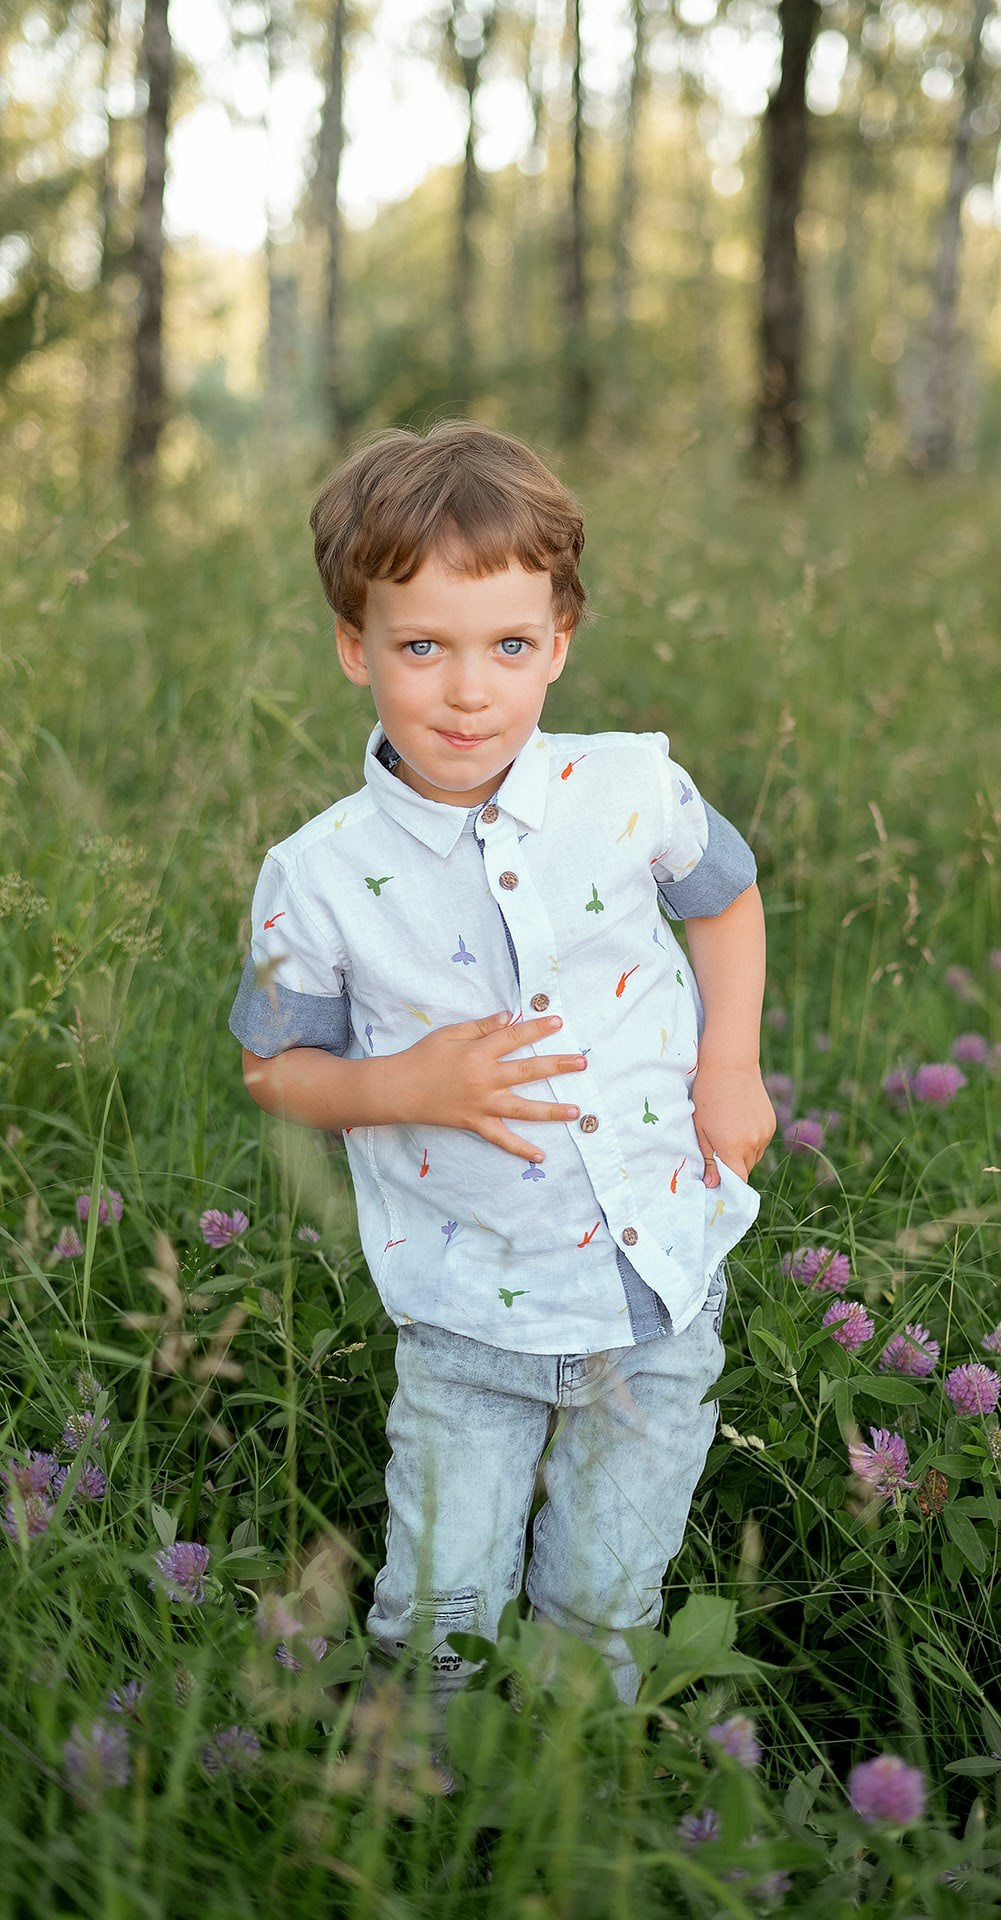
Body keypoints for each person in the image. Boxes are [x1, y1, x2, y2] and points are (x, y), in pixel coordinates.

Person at [230, 421, 774, 1711]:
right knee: (440, 1622)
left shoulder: (629, 787)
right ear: (357, 648)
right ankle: (419, 1792)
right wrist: (400, 1087)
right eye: (422, 647)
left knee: (603, 1607)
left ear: (560, 643)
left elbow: (729, 897)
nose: (468, 691)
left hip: (654, 1289)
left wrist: (730, 1066)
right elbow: (273, 1070)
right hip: (467, 1310)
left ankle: (574, 1779)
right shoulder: (313, 878)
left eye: (509, 647)